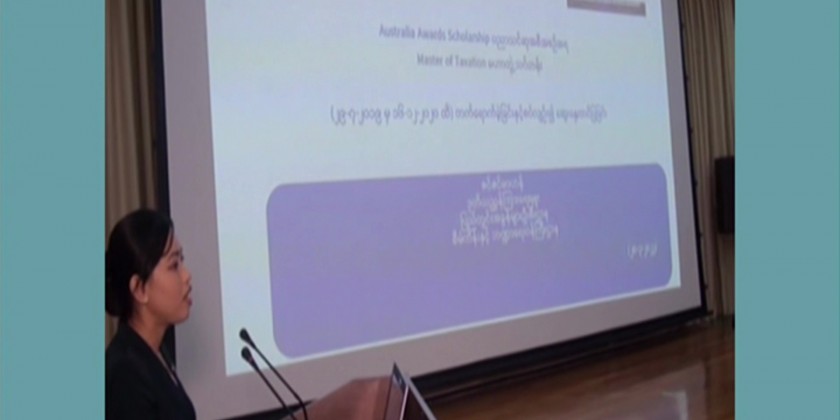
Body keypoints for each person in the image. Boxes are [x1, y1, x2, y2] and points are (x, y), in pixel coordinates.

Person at [105, 209, 196, 419]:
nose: (187, 275)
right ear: (139, 289)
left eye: (182, 260)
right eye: (174, 265)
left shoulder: (155, 351)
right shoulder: (125, 374)